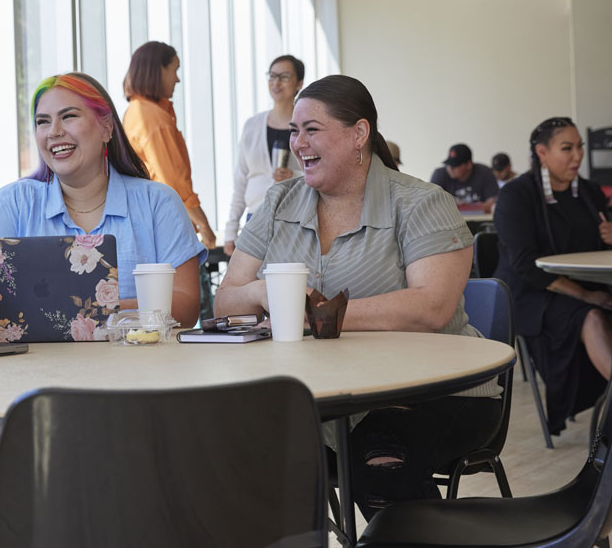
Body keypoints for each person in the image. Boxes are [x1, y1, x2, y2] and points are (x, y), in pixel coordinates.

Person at [213, 75, 499, 518]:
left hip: (433, 392)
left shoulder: (422, 203)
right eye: (293, 131)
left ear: (358, 134)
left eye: (311, 129)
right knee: (222, 450)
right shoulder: (277, 203)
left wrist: (318, 316)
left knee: (381, 459)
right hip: (317, 399)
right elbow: (226, 301)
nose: (298, 143)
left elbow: (431, 308)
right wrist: (266, 291)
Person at [0, 72, 204, 326]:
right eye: (43, 122)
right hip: (37, 366)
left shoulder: (158, 203)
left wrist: (79, 312)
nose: (54, 131)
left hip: (140, 364)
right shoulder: (12, 204)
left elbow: (186, 305)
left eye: (68, 116)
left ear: (106, 128)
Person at [493, 117, 612, 436]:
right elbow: (525, 265)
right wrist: (586, 295)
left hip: (587, 284)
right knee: (591, 316)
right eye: (567, 148)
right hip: (532, 293)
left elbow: (598, 249)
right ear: (542, 152)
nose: (578, 156)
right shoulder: (517, 196)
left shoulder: (588, 192)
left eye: (580, 147)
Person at [122, 41, 216, 253]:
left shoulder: (137, 111)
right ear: (158, 71)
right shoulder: (151, 117)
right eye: (174, 70)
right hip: (162, 225)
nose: (177, 79)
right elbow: (172, 180)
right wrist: (203, 224)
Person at [223, 54, 305, 257]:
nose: (276, 82)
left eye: (284, 76)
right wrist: (231, 229)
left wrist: (293, 176)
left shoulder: (307, 125)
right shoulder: (252, 125)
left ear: (299, 84)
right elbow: (241, 180)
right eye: (272, 75)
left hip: (296, 217)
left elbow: (322, 173)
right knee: (254, 282)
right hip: (256, 217)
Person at [429, 143, 499, 212]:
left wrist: (466, 206)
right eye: (448, 164)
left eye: (455, 166)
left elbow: (493, 205)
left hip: (480, 221)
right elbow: (431, 205)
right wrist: (475, 206)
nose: (450, 168)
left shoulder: (485, 173)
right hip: (449, 221)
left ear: (469, 165)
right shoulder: (439, 174)